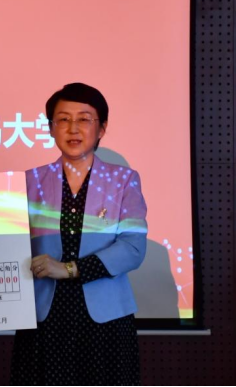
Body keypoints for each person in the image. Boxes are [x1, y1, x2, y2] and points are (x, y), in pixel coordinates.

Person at [8, 82, 148, 385]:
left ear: (102, 128)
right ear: (51, 128)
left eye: (84, 119)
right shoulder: (29, 182)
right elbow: (6, 248)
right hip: (43, 319)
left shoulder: (123, 180)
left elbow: (133, 248)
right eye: (63, 119)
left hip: (107, 322)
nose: (73, 128)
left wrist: (70, 269)